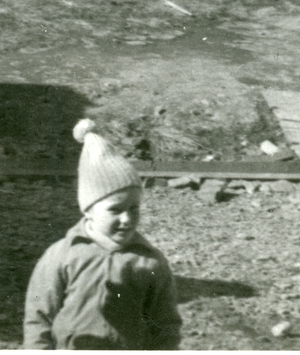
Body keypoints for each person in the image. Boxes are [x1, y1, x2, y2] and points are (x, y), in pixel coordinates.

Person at [23, 119, 181, 350]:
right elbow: (39, 318)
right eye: (115, 210)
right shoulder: (63, 255)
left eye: (133, 208)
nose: (127, 219)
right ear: (89, 211)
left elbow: (165, 324)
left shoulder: (149, 261)